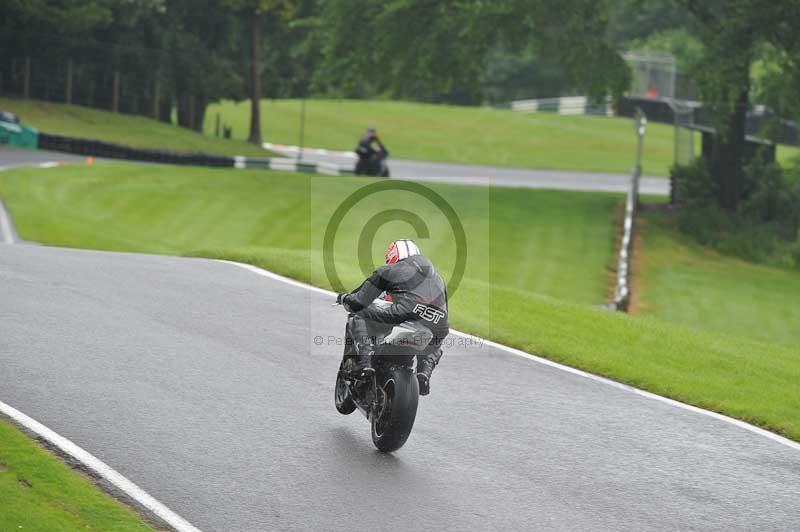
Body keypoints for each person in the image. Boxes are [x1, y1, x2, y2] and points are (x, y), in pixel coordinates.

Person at [337, 239, 448, 395]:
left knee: (359, 314)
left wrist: (344, 298)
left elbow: (359, 301)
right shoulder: (438, 279)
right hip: (438, 323)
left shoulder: (388, 271)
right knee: (436, 337)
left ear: (392, 255)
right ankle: (424, 372)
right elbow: (444, 309)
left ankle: (365, 363)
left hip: (403, 314)